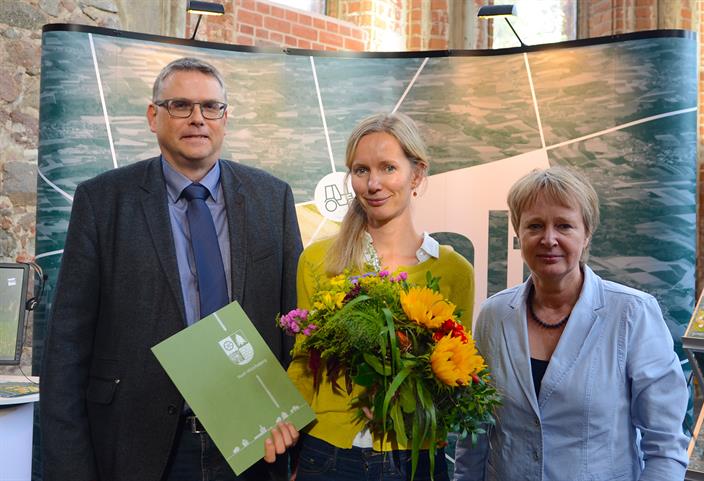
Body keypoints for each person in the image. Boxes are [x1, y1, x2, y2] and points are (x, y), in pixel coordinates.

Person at [40, 57, 302, 481]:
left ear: (225, 117)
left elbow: (296, 330)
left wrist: (302, 444)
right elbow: (67, 351)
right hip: (142, 447)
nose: (197, 118)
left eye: (210, 107)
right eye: (180, 105)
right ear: (153, 116)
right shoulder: (103, 202)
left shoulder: (272, 199)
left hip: (258, 445)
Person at [453, 166, 689, 481]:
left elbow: (665, 448)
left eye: (564, 225)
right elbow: (475, 436)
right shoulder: (493, 316)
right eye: (534, 225)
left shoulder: (633, 314)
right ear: (518, 232)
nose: (548, 239)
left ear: (587, 233)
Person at [287, 112, 475, 481]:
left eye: (388, 168)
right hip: (327, 455)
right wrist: (281, 430)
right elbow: (303, 363)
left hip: (415, 458)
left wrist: (408, 405)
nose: (373, 184)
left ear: (417, 174)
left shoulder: (454, 272)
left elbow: (458, 378)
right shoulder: (317, 262)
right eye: (361, 170)